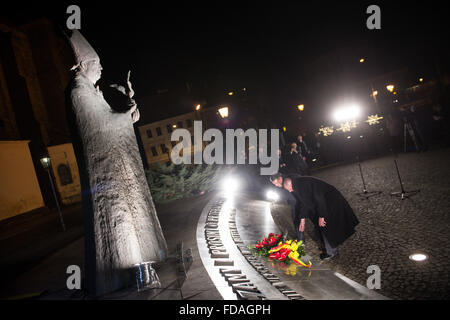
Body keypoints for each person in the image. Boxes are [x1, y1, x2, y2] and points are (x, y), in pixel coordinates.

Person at [270, 173, 359, 260]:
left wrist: (322, 216)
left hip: (330, 200)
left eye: (290, 189)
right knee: (323, 227)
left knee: (324, 225)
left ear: (289, 183)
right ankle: (331, 249)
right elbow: (304, 202)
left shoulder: (301, 184)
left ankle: (331, 252)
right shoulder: (295, 184)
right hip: (325, 201)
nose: (290, 191)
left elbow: (319, 198)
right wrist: (302, 219)